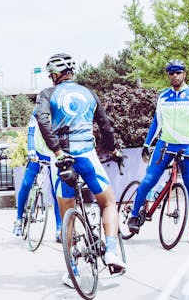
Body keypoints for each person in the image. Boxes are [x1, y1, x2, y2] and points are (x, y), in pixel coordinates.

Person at [35, 53, 126, 287]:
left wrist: (56, 151)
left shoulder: (47, 94)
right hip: (87, 156)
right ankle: (112, 251)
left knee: (68, 215)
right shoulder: (88, 94)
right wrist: (113, 149)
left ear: (55, 74)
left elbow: (42, 120)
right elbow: (105, 126)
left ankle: (73, 268)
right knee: (108, 203)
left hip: (63, 159)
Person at [127, 59, 189, 243]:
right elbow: (157, 123)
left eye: (178, 72)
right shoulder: (163, 96)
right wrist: (147, 144)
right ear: (168, 75)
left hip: (188, 146)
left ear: (184, 73)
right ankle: (134, 215)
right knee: (148, 180)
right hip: (165, 145)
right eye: (171, 73)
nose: (175, 75)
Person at [13, 110, 62, 242]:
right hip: (38, 153)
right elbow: (31, 132)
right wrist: (31, 151)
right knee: (26, 183)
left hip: (54, 154)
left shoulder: (60, 111)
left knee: (56, 191)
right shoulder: (37, 112)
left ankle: (59, 229)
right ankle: (18, 218)